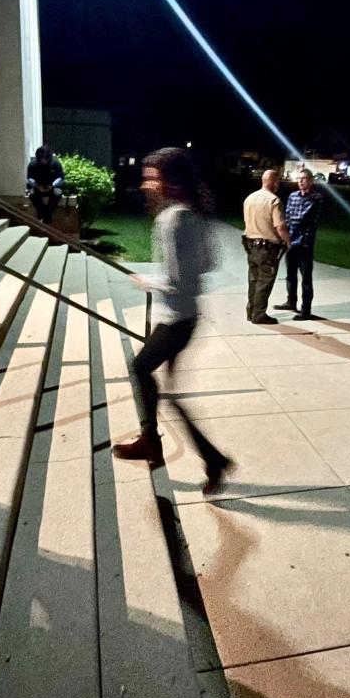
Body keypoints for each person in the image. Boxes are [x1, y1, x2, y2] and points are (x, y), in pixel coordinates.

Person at [111, 147, 234, 493]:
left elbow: (176, 280)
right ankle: (205, 457)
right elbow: (209, 264)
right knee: (167, 391)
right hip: (189, 315)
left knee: (140, 369)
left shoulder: (171, 220)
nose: (146, 184)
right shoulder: (195, 214)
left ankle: (162, 444)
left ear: (171, 183)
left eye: (152, 177)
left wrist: (147, 281)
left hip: (176, 319)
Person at [241, 169, 290, 324]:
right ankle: (259, 314)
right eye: (277, 181)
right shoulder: (274, 201)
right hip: (267, 248)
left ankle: (251, 311)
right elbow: (280, 227)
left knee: (254, 280)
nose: (278, 184)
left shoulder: (249, 198)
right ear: (273, 181)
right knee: (265, 281)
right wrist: (288, 241)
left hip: (250, 245)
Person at [275, 168, 323, 320]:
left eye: (304, 178)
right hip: (290, 242)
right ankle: (291, 301)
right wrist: (285, 236)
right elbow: (288, 216)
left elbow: (304, 218)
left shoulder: (316, 198)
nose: (301, 181)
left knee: (306, 278)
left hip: (304, 244)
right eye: (299, 178)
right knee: (290, 274)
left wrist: (290, 227)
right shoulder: (293, 196)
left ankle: (306, 310)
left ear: (311, 180)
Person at [26, 145, 65, 224]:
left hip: (52, 187)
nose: (43, 161)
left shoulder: (56, 164)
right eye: (41, 159)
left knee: (57, 192)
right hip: (38, 187)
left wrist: (52, 186)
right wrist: (37, 186)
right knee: (32, 193)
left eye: (45, 158)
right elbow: (30, 178)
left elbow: (60, 178)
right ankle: (43, 213)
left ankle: (47, 214)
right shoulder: (33, 165)